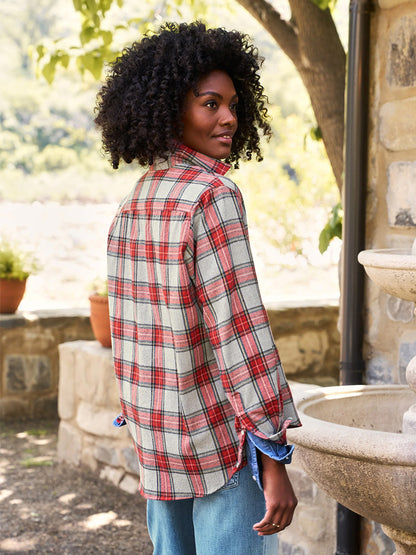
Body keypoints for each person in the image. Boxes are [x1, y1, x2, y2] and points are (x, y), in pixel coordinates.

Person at [95, 21, 302, 555]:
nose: (229, 117)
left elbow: (131, 335)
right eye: (211, 103)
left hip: (158, 441)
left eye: (233, 103)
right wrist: (273, 455)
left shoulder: (136, 201)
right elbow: (240, 334)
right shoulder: (212, 197)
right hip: (221, 449)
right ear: (170, 109)